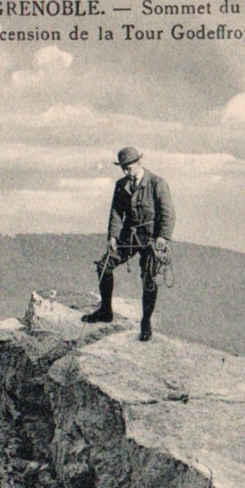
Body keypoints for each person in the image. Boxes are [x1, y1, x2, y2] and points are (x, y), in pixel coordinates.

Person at [82, 146, 175, 342]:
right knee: (103, 266)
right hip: (129, 238)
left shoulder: (157, 183)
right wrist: (113, 237)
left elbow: (168, 214)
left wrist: (162, 238)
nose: (126, 172)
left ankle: (146, 322)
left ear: (139, 164)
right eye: (123, 168)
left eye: (129, 168)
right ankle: (106, 311)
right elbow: (116, 213)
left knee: (149, 279)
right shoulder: (121, 185)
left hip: (151, 239)